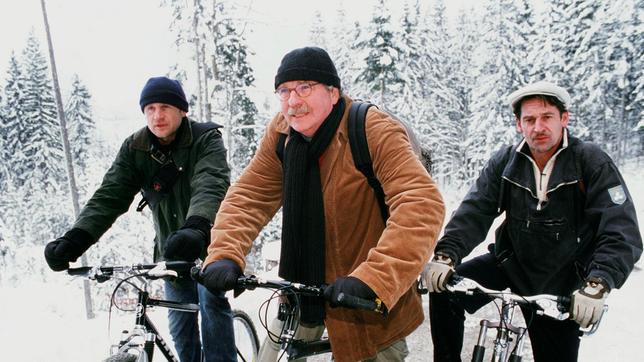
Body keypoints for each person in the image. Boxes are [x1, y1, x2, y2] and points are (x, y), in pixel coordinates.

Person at [198, 46, 445, 362]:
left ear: (333, 92)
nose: (293, 101)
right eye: (284, 91)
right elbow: (248, 198)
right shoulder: (282, 135)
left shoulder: (371, 129)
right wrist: (224, 254)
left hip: (364, 304)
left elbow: (420, 204)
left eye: (305, 88)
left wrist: (374, 278)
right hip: (302, 298)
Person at [425, 81, 643, 362]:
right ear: (519, 124)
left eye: (546, 118)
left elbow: (620, 230)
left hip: (562, 280)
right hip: (511, 264)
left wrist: (598, 283)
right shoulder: (505, 161)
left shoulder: (590, 161)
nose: (538, 127)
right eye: (529, 119)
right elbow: (475, 211)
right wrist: (446, 255)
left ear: (564, 119)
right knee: (446, 290)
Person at [44, 76, 236, 362]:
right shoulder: (136, 148)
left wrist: (197, 227)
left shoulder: (205, 139)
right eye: (150, 108)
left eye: (165, 107)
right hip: (171, 254)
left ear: (182, 110)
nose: (157, 115)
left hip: (210, 247)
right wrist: (75, 240)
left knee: (211, 306)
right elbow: (110, 196)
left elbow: (210, 183)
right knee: (181, 329)